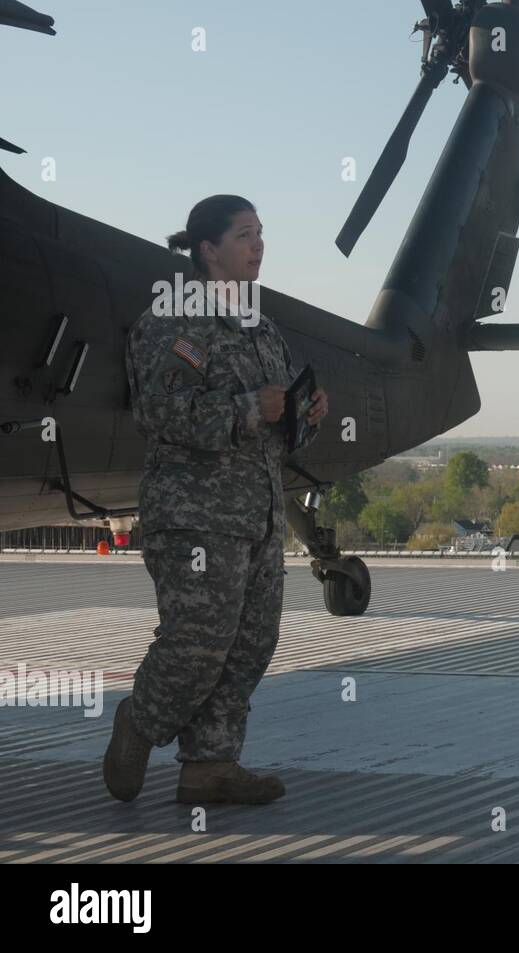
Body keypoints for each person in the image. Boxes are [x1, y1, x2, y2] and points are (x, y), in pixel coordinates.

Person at [103, 195, 329, 803]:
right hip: (195, 514)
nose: (258, 246)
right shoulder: (174, 321)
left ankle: (210, 768)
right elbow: (160, 410)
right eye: (244, 235)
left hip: (257, 514)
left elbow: (278, 427)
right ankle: (139, 722)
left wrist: (304, 415)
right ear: (209, 250)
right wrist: (251, 407)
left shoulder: (262, 326)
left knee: (251, 642)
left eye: (261, 234)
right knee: (198, 641)